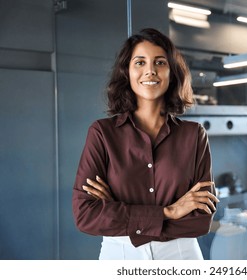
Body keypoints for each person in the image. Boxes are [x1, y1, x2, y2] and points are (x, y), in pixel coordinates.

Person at [72, 28, 219, 260]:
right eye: (140, 62)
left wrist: (118, 210)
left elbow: (200, 221)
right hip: (120, 256)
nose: (150, 70)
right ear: (127, 72)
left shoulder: (194, 135)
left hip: (181, 257)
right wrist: (169, 211)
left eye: (160, 62)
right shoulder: (102, 133)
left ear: (172, 73)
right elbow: (85, 215)